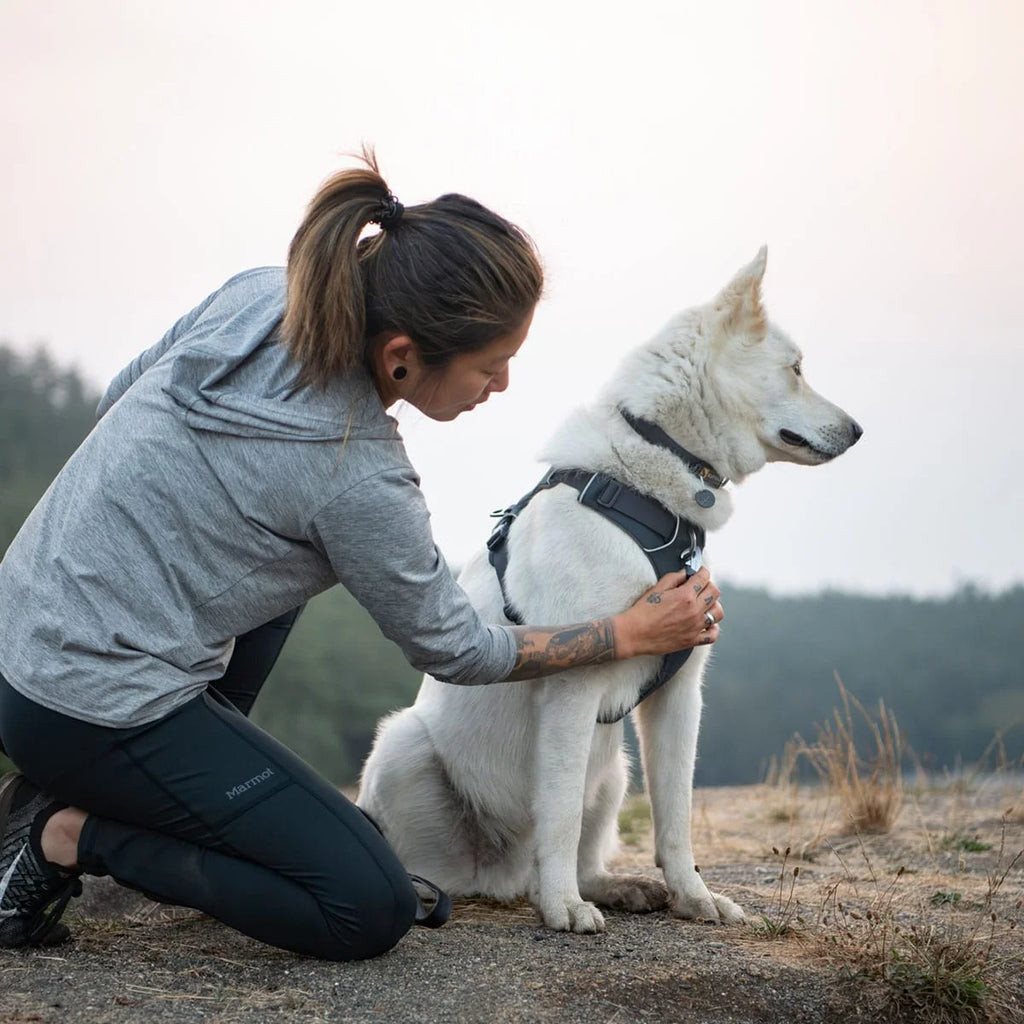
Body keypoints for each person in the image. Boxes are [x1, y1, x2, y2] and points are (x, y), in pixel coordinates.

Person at [0, 151, 724, 960]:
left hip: (20, 638)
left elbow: (120, 397)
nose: (505, 383)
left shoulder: (257, 294)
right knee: (365, 903)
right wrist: (623, 635)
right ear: (402, 356)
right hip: (94, 703)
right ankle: (67, 835)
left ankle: (119, 785)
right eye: (491, 364)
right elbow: (455, 648)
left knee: (284, 576)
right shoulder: (358, 471)